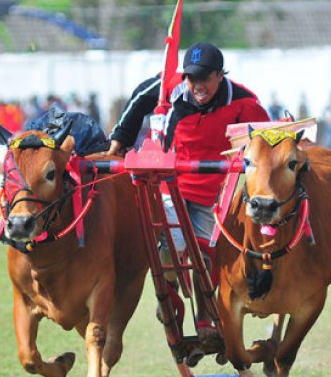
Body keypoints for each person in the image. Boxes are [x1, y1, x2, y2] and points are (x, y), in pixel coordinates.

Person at [107, 42, 269, 344]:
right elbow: (141, 97)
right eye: (191, 78)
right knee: (167, 248)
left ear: (220, 76)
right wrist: (120, 139)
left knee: (206, 253)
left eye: (205, 78)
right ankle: (171, 302)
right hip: (173, 184)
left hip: (217, 191)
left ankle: (207, 313)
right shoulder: (171, 87)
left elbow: (266, 141)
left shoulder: (244, 101)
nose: (197, 86)